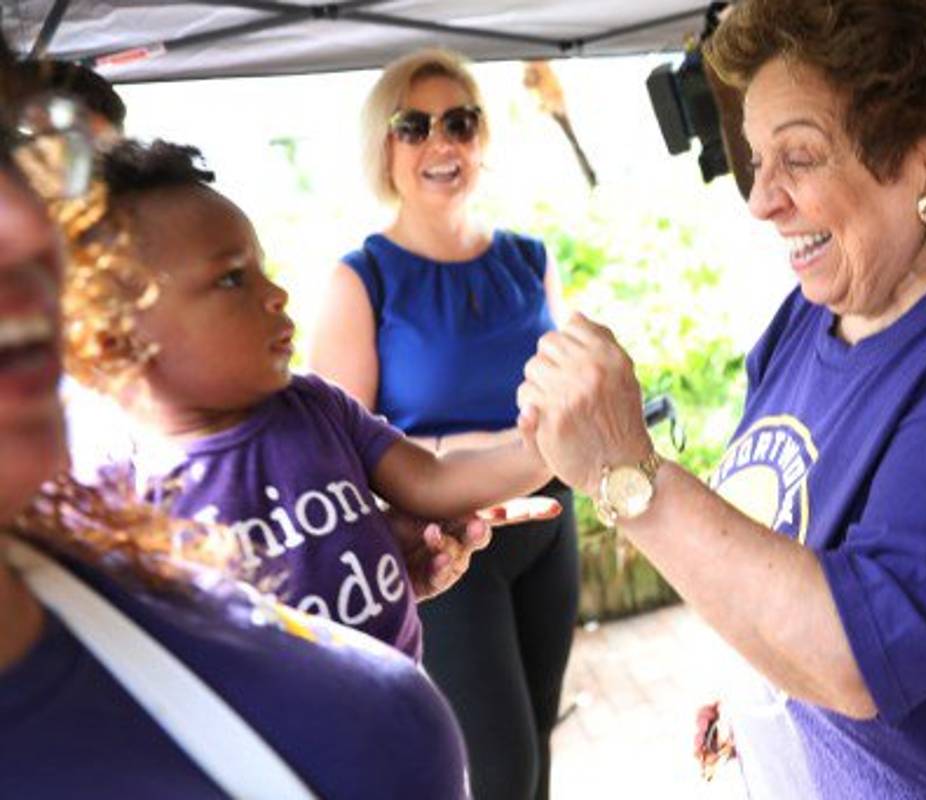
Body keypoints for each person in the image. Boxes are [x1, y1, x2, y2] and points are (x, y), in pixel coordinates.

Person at [516, 0, 926, 797]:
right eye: (757, 158)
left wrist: (629, 475)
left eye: (802, 157)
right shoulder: (812, 315)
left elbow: (857, 657)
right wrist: (759, 673)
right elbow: (783, 526)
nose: (761, 198)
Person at [0, 49, 469, 798]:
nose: (30, 227)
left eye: (25, 163)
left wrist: (348, 574)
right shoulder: (124, 476)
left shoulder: (111, 570)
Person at [68, 138, 559, 665]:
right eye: (232, 277)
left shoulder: (314, 405)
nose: (275, 293)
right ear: (117, 342)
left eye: (262, 268)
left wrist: (548, 448)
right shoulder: (119, 499)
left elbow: (432, 477)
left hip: (403, 717)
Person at [311, 49, 578, 800]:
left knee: (539, 755)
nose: (441, 143)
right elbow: (337, 453)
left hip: (550, 525)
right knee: (501, 772)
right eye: (414, 125)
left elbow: (563, 390)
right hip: (450, 548)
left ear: (482, 138)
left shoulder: (529, 259)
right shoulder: (361, 278)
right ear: (384, 146)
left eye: (460, 122)